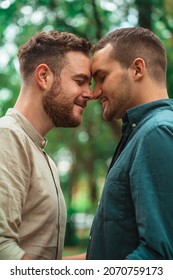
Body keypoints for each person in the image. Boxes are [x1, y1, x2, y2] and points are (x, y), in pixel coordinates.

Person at [0, 30, 93, 260]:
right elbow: (4, 253)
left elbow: (44, 263)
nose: (90, 93)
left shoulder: (45, 159)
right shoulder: (7, 137)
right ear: (43, 76)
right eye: (80, 81)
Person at [86, 27, 173, 259]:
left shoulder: (157, 132)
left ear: (137, 69)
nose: (94, 93)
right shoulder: (140, 133)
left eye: (101, 77)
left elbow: (159, 257)